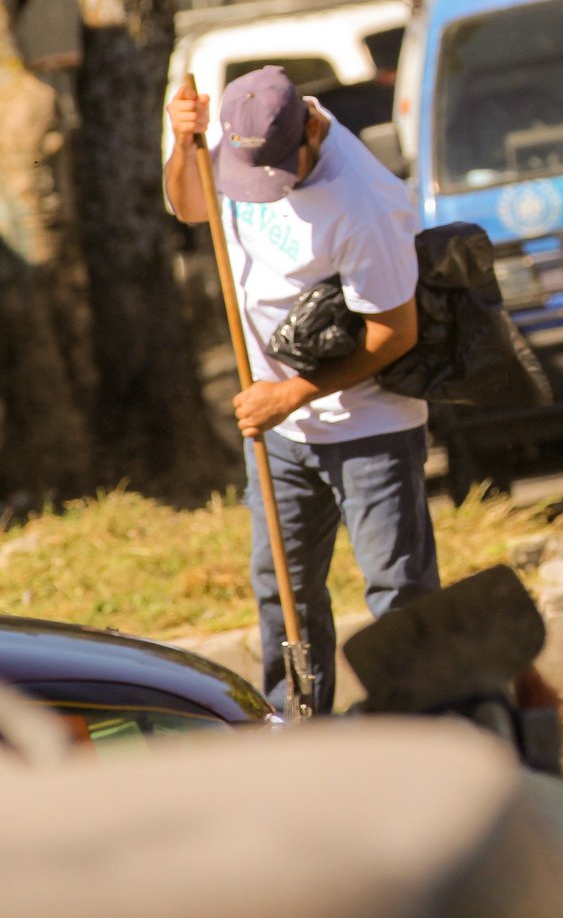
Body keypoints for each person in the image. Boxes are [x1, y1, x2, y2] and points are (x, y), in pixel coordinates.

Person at [165, 65, 439, 713]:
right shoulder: (242, 140)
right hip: (281, 431)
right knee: (281, 588)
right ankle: (298, 728)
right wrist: (185, 144)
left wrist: (290, 392)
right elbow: (190, 204)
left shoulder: (365, 201)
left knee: (397, 591)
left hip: (370, 425)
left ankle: (429, 730)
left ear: (312, 129)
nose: (261, 190)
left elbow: (395, 331)